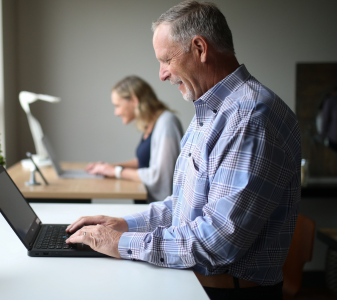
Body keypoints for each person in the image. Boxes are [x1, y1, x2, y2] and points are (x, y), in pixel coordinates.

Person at [66, 1, 301, 299]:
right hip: (197, 283)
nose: (162, 75)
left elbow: (217, 241)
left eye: (166, 60)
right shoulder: (212, 112)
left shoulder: (249, 118)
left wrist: (122, 242)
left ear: (200, 49)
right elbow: (182, 208)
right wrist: (123, 224)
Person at [86, 75, 183, 203]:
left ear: (133, 100)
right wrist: (108, 167)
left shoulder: (167, 123)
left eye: (118, 105)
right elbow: (144, 161)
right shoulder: (151, 124)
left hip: (159, 209)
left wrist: (116, 171)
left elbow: (159, 175)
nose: (116, 112)